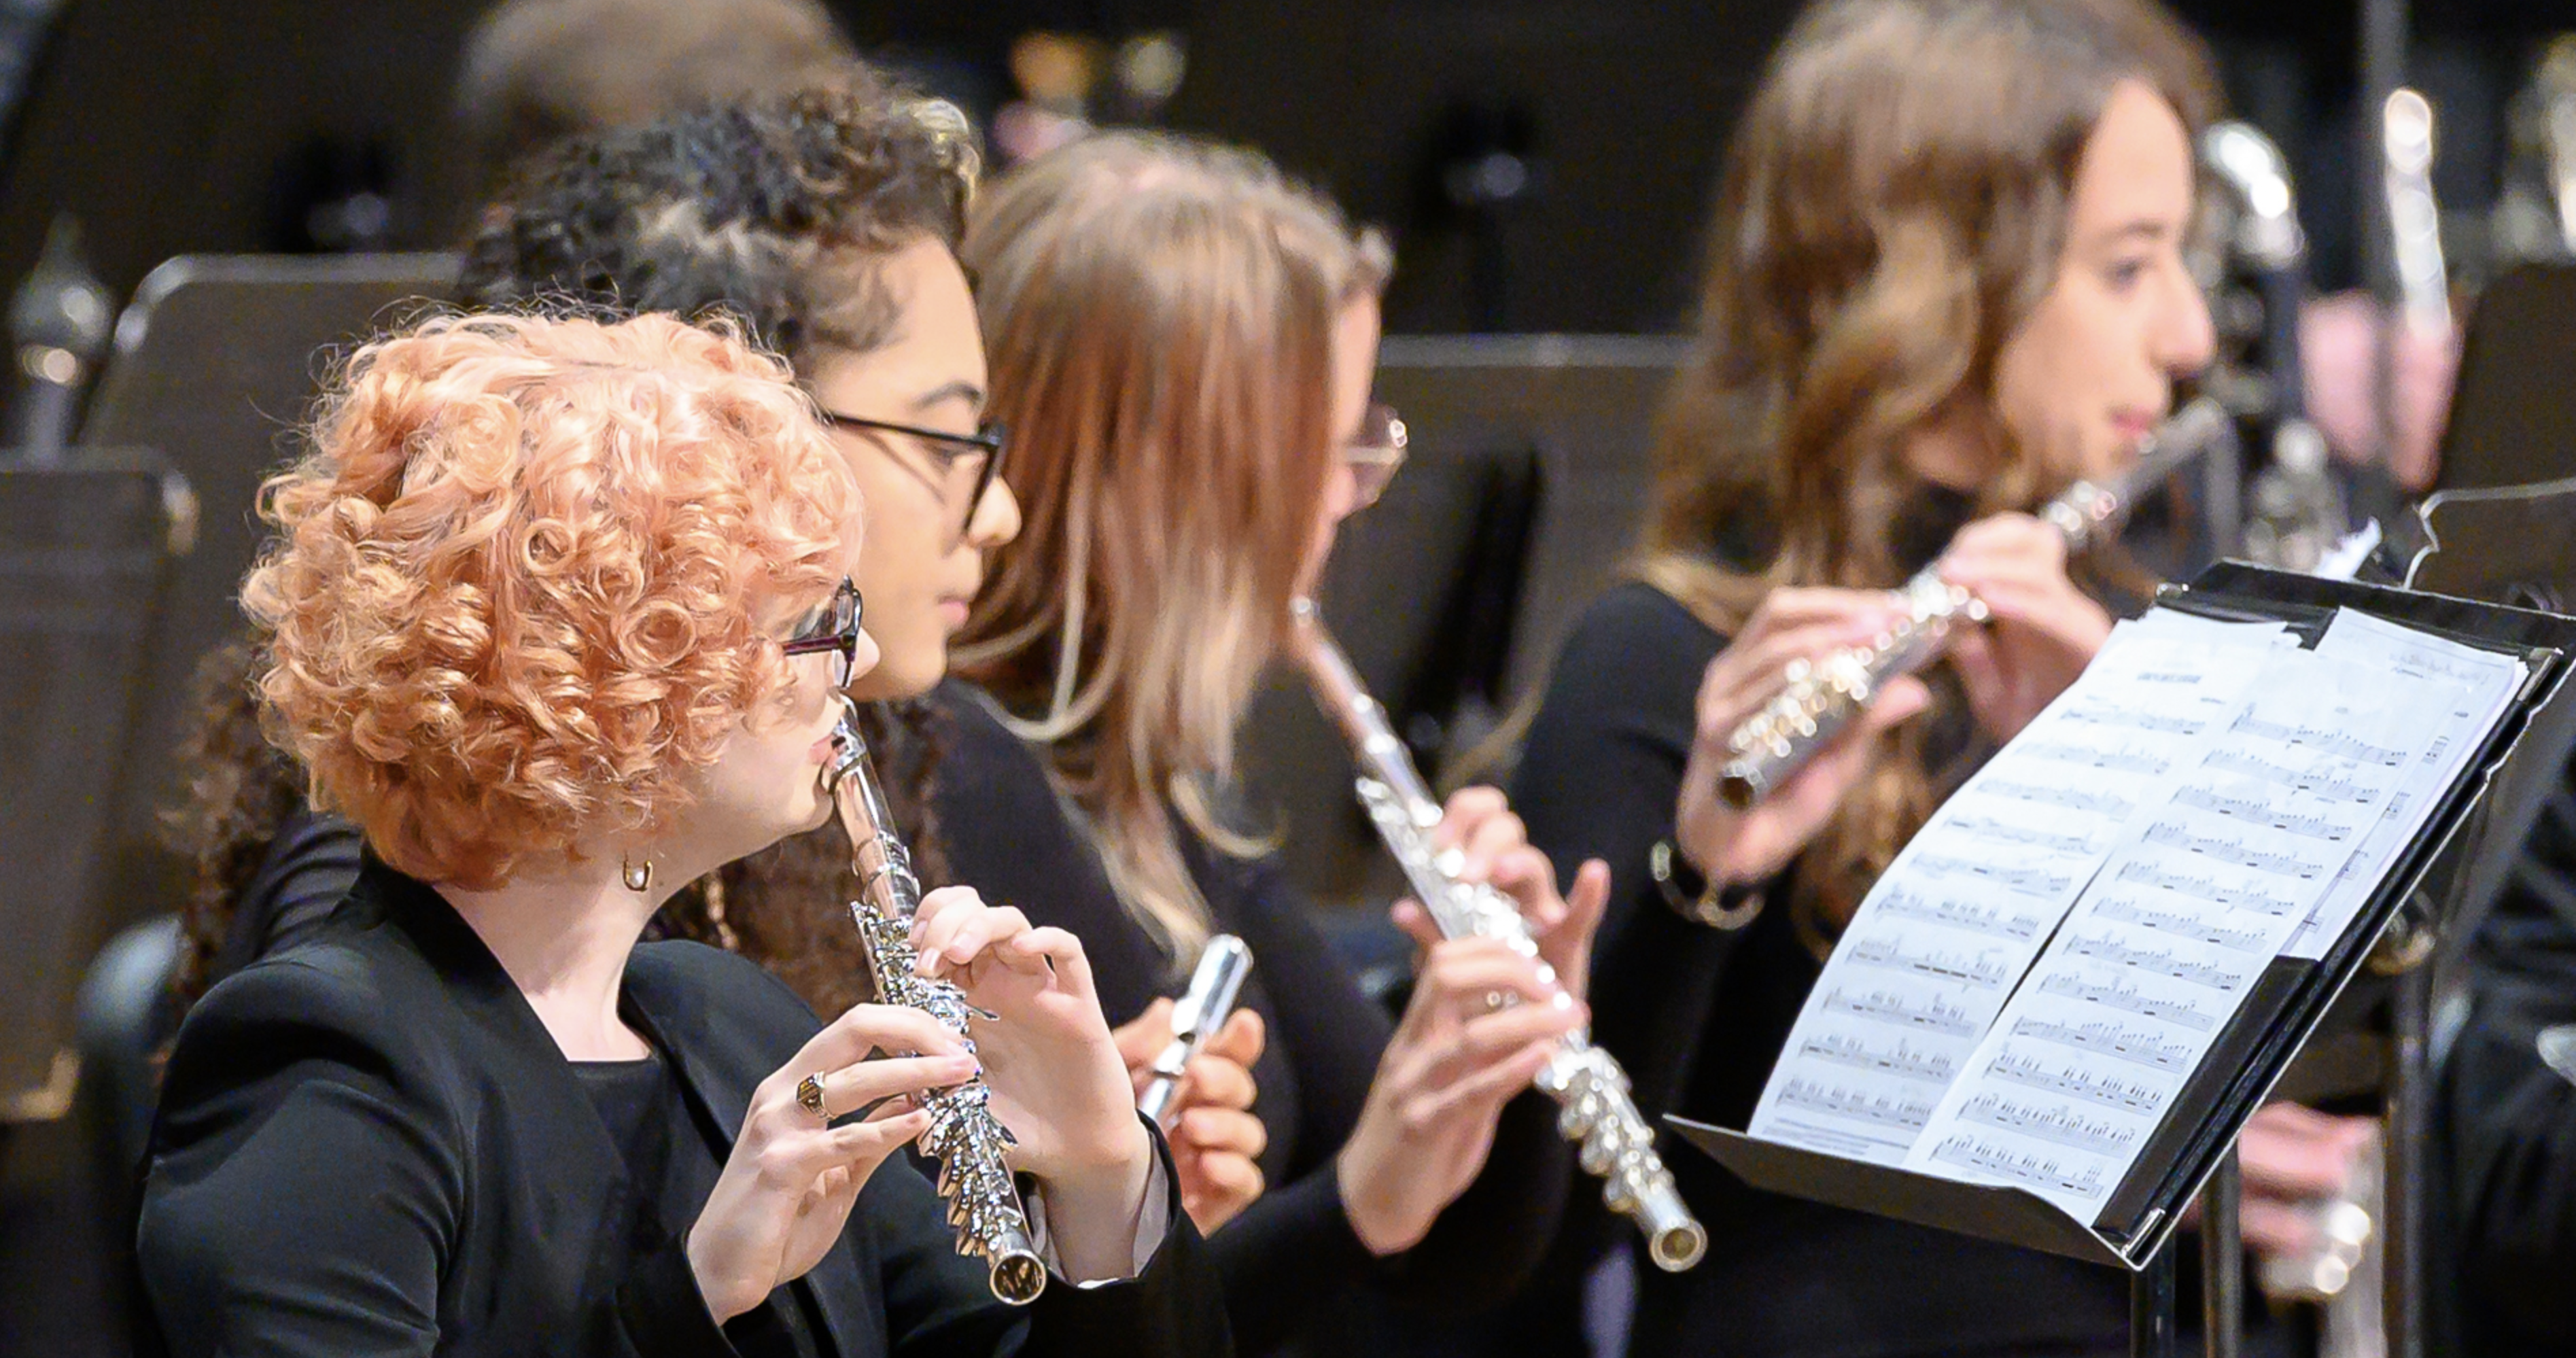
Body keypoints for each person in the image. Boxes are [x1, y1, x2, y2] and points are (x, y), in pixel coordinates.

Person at [137, 310, 1230, 1357]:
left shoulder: (729, 1020)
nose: (853, 661)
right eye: (815, 622)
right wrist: (700, 1294)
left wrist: (1096, 1172)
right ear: (626, 682)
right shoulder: (326, 1062)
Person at [1506, 2, 2218, 1355]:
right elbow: (1542, 1228)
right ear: (1939, 279)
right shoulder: (1660, 659)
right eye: (2127, 268)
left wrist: (2128, 770)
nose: (2184, 336)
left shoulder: (2102, 635)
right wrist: (1704, 878)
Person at [456, 88, 1272, 1234]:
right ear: (726, 431)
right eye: (948, 441)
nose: (998, 517)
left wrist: (1102, 1198)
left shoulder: (916, 751)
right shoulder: (462, 877)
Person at [947, 130, 1611, 1357]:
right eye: (1336, 444)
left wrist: (1492, 1054)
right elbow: (1096, 1333)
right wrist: (1359, 1200)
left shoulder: (1157, 785)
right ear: (1189, 474)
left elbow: (1451, 1256)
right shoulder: (966, 782)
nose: (1351, 494)